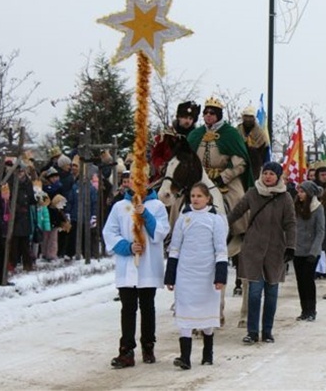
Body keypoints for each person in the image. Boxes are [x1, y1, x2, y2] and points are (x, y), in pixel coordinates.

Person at [102, 179, 171, 368]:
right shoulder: (119, 206)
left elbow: (160, 232)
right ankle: (126, 350)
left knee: (147, 306)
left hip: (148, 266)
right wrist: (128, 247)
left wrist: (146, 214)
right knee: (128, 307)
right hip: (127, 266)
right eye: (131, 179)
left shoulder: (157, 206)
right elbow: (109, 232)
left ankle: (148, 345)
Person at [227, 161, 296, 344]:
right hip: (253, 249)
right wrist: (220, 227)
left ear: (278, 177)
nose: (267, 177)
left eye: (272, 174)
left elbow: (290, 223)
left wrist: (291, 246)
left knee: (271, 292)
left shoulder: (285, 197)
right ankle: (252, 332)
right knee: (254, 292)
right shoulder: (252, 192)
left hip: (275, 250)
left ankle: (267, 331)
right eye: (265, 173)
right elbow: (236, 213)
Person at [165, 183, 228, 370]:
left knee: (206, 314)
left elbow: (220, 250)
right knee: (184, 312)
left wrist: (220, 277)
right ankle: (185, 357)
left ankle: (208, 353)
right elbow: (175, 248)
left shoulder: (215, 220)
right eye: (192, 196)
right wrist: (170, 276)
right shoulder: (184, 218)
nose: (195, 199)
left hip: (206, 274)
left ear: (208, 198)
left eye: (199, 196)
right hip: (186, 273)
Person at [188, 97, 253, 236]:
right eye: (206, 113)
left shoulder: (230, 134)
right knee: (178, 200)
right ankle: (173, 233)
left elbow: (240, 162)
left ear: (218, 115)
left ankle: (240, 234)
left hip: (225, 179)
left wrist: (224, 177)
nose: (208, 115)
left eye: (212, 113)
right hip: (199, 178)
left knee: (238, 199)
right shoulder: (196, 134)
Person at [293, 180, 325, 321]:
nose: (299, 194)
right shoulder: (295, 207)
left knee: (308, 280)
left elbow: (320, 231)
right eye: (298, 191)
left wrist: (314, 251)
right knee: (300, 281)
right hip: (297, 250)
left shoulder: (317, 208)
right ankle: (304, 310)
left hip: (311, 252)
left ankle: (311, 310)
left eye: (302, 191)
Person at [150, 100, 201, 178]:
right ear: (178, 117)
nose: (188, 121)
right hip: (166, 175)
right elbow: (156, 155)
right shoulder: (166, 136)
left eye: (190, 118)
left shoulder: (197, 137)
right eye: (185, 117)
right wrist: (161, 166)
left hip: (190, 177)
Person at [237, 105, 269, 181]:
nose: (248, 119)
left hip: (255, 163)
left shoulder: (260, 133)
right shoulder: (236, 131)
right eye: (246, 116)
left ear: (254, 118)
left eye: (250, 117)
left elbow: (264, 150)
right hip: (239, 162)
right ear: (243, 117)